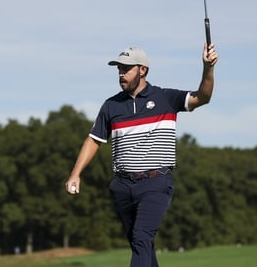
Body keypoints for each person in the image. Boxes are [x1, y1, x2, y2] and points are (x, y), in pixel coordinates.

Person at [65, 43, 218, 267]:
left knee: (141, 238)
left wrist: (208, 69)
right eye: (119, 69)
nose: (121, 74)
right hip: (122, 186)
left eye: (126, 69)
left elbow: (203, 96)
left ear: (143, 70)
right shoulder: (111, 106)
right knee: (142, 245)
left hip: (155, 183)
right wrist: (75, 174)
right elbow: (94, 140)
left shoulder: (166, 98)